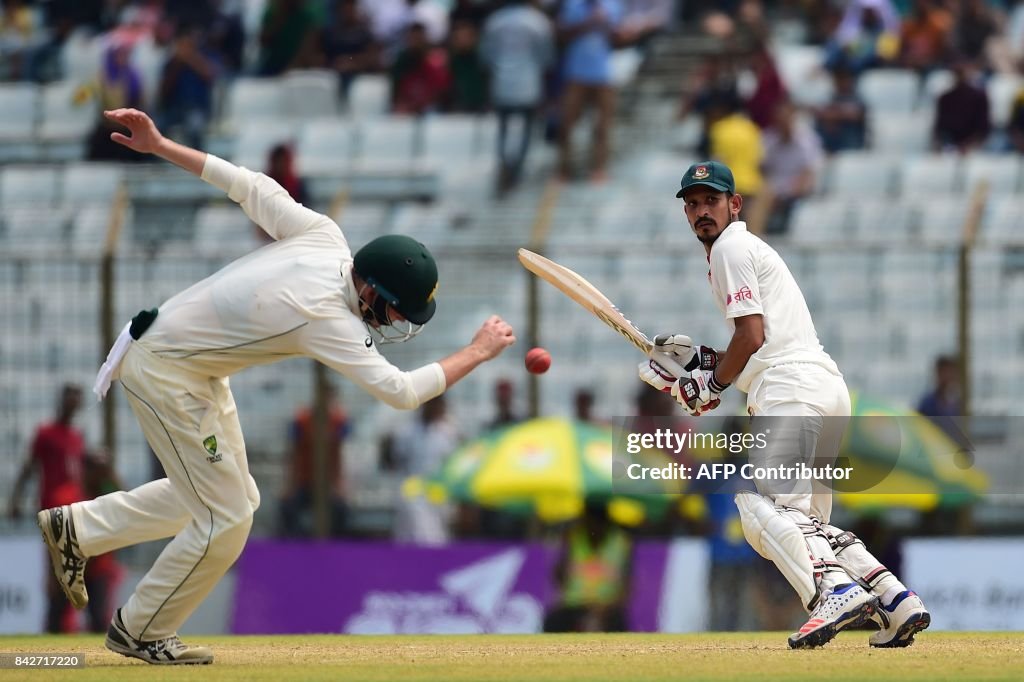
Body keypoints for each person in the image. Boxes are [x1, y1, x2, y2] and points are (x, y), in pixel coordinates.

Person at [36, 107, 516, 666]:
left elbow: (246, 185)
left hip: (186, 364)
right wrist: (478, 352)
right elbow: (402, 392)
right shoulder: (328, 317)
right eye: (396, 311)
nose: (395, 323)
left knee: (233, 498)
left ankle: (78, 528)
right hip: (166, 370)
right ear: (373, 293)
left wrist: (163, 145)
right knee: (227, 519)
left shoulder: (326, 237)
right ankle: (137, 630)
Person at [638, 160, 930, 649]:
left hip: (790, 388)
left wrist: (708, 386)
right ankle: (894, 600)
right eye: (692, 204)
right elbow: (758, 345)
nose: (701, 211)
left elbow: (750, 338)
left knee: (758, 507)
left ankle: (831, 590)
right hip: (822, 387)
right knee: (808, 523)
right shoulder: (744, 250)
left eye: (711, 200)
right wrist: (697, 366)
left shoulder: (730, 246)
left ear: (735, 204)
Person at [9, 384, 86, 634]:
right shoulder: (46, 433)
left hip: (74, 511)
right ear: (61, 400)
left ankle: (63, 623)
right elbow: (29, 466)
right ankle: (54, 624)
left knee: (70, 565)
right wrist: (15, 499)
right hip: (53, 509)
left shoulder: (76, 436)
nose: (73, 402)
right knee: (56, 567)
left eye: (77, 398)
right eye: (70, 397)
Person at [480, 0, 555, 195]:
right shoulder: (537, 21)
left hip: (501, 81)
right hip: (528, 81)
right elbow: (546, 56)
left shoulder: (495, 21)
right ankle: (517, 168)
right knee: (527, 127)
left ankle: (504, 162)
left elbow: (486, 55)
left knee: (503, 127)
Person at [556, 0, 625, 182]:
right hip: (575, 73)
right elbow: (561, 35)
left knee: (603, 125)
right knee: (567, 123)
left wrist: (608, 25)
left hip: (604, 73)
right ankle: (563, 169)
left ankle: (599, 168)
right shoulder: (571, 5)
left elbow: (619, 38)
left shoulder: (613, 5)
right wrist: (588, 22)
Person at [543, 498, 632, 633]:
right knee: (553, 621)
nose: (591, 526)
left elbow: (628, 584)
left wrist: (607, 607)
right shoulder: (573, 539)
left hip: (607, 608)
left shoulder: (621, 542)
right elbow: (558, 576)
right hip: (575, 605)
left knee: (618, 623)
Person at [279, 385, 350, 537]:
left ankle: (334, 549)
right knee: (288, 508)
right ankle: (295, 549)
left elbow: (341, 453)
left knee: (342, 511)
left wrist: (339, 484)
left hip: (328, 483)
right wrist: (289, 485)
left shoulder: (338, 421)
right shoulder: (302, 420)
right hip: (304, 481)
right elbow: (292, 453)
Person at [932, 59, 991, 154]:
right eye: (958, 72)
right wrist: (939, 145)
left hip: (975, 146)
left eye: (963, 72)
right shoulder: (945, 98)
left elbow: (983, 128)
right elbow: (940, 127)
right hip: (950, 146)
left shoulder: (980, 97)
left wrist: (969, 145)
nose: (961, 76)